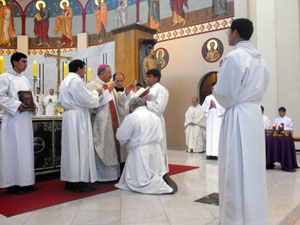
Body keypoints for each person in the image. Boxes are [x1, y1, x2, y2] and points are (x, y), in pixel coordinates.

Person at [213, 18, 269, 224]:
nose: (228, 36)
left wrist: (216, 85)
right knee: (253, 169)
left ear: (235, 32)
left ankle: (235, 219)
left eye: (228, 32)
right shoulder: (259, 58)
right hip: (253, 115)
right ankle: (255, 217)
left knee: (234, 169)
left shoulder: (234, 57)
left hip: (237, 117)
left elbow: (225, 95)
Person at [115, 98, 177, 194]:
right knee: (155, 172)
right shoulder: (155, 116)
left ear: (131, 107)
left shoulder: (132, 117)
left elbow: (121, 136)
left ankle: (160, 185)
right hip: (156, 150)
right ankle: (162, 178)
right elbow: (160, 135)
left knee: (141, 181)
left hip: (140, 152)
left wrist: (126, 144)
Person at [58, 59, 102, 193]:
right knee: (80, 148)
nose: (84, 71)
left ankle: (70, 180)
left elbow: (60, 100)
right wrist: (97, 93)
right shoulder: (76, 81)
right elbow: (86, 100)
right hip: (78, 117)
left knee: (71, 149)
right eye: (83, 68)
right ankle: (79, 182)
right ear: (78, 69)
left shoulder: (65, 81)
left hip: (69, 116)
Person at [86, 65, 133, 181]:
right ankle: (102, 177)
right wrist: (108, 92)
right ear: (102, 73)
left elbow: (119, 103)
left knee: (112, 148)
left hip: (113, 123)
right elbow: (91, 103)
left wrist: (125, 94)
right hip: (101, 124)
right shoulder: (92, 85)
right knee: (103, 146)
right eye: (109, 73)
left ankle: (113, 175)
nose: (110, 75)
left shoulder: (109, 86)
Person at [0, 52, 38, 195]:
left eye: (27, 62)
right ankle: (13, 184)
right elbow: (0, 96)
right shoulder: (4, 78)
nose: (26, 64)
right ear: (15, 62)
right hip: (13, 120)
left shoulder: (25, 80)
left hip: (25, 120)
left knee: (26, 150)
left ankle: (26, 182)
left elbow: (31, 96)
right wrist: (16, 105)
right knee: (13, 150)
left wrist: (33, 104)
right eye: (23, 61)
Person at [144, 69, 169, 171]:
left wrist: (145, 103)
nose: (147, 79)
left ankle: (160, 170)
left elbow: (159, 108)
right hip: (146, 120)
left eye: (150, 77)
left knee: (158, 145)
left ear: (156, 78)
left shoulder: (161, 89)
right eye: (147, 77)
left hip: (156, 120)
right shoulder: (147, 89)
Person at [202, 83, 225, 159]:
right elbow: (203, 108)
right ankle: (209, 154)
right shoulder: (208, 98)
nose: (213, 90)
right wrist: (209, 107)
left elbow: (224, 109)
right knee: (210, 135)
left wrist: (216, 105)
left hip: (218, 120)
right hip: (210, 119)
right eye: (212, 88)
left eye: (214, 88)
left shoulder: (222, 98)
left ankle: (217, 154)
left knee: (217, 135)